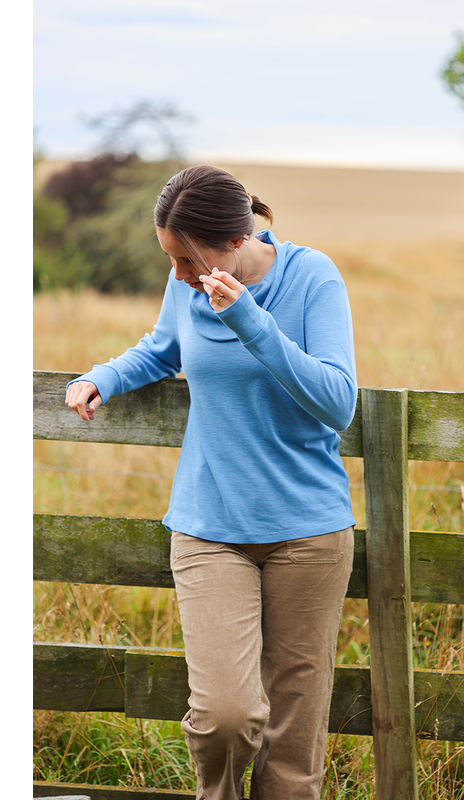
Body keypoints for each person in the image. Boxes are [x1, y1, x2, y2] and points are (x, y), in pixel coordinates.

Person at [65, 165, 358, 800]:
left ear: (232, 240)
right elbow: (163, 348)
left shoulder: (312, 278)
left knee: (292, 742)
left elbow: (338, 402)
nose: (178, 276)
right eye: (170, 260)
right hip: (209, 528)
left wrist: (251, 321)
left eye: (186, 260)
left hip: (309, 533)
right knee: (227, 716)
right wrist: (103, 377)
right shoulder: (189, 285)